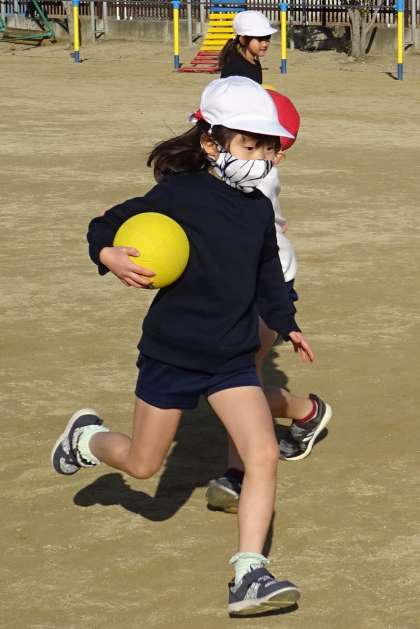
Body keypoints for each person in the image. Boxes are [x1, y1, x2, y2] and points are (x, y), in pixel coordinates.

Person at [51, 76, 315, 616]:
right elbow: (106, 224)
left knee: (263, 454)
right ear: (212, 143)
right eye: (249, 145)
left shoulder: (256, 210)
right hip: (173, 352)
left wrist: (286, 322)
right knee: (143, 465)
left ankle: (249, 574)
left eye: (267, 148)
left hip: (231, 357)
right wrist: (108, 255)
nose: (261, 159)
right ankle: (87, 439)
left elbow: (267, 271)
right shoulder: (180, 194)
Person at [205, 89, 332, 514]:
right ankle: (305, 412)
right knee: (228, 379)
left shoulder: (254, 175)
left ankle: (238, 473)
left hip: (267, 281)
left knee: (237, 376)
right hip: (229, 283)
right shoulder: (210, 170)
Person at [219, 11, 277, 84]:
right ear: (243, 40)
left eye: (267, 38)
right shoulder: (235, 68)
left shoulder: (254, 63)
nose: (265, 44)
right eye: (259, 39)